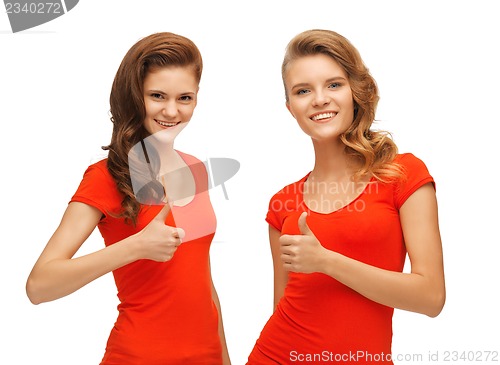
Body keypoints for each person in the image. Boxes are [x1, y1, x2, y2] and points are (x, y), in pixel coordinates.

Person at [26, 32, 231, 365]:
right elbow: (40, 285)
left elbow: (202, 280)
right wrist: (135, 247)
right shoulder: (106, 176)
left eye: (185, 98)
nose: (171, 110)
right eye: (157, 96)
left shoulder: (195, 169)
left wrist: (223, 357)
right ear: (135, 96)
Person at [246, 29, 445, 364]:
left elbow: (431, 297)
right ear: (290, 107)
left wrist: (326, 261)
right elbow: (283, 306)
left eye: (334, 84)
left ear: (356, 91)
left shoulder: (402, 174)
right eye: (303, 90)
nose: (319, 99)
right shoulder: (283, 203)